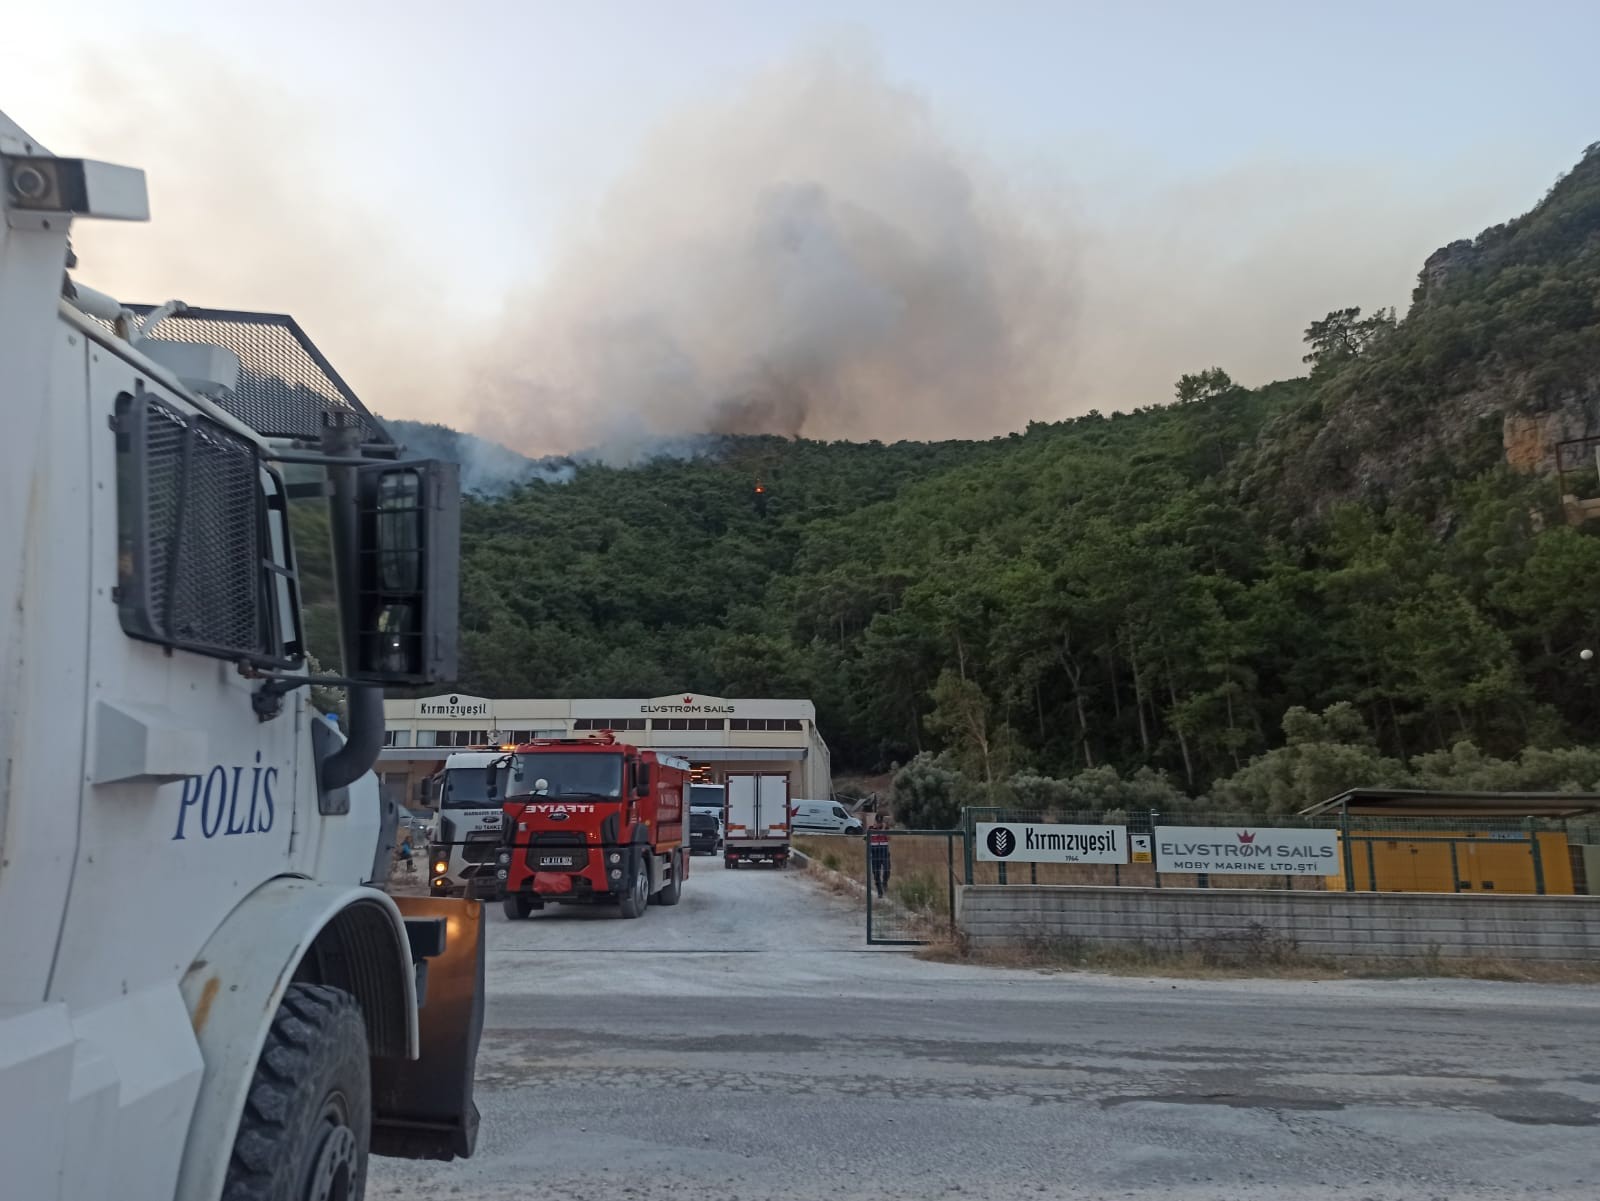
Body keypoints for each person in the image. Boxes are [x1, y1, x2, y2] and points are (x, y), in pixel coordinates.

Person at [868, 813, 891, 899]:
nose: (879, 824)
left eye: (880, 822)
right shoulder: (870, 829)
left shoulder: (885, 828)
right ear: (875, 821)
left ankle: (884, 883)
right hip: (874, 852)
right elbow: (866, 839)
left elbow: (889, 838)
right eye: (877, 822)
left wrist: (884, 829)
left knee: (887, 869)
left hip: (884, 851)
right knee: (876, 873)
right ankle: (879, 892)